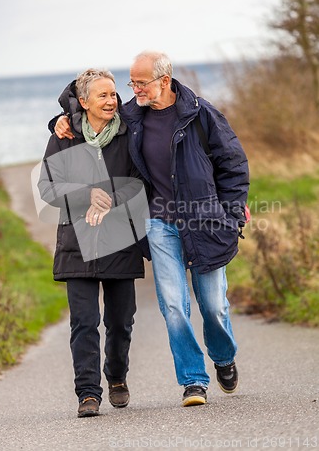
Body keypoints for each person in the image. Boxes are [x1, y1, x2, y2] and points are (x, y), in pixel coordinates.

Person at [52, 52, 250, 407]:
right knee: (174, 305)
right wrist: (60, 119)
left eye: (140, 82)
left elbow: (232, 164)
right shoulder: (133, 115)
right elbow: (88, 110)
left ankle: (223, 357)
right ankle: (193, 381)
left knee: (214, 306)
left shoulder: (201, 114)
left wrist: (233, 212)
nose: (133, 90)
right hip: (160, 223)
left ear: (165, 79)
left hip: (204, 220)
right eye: (132, 82)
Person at [39, 68, 149, 417]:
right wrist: (88, 194)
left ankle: (116, 377)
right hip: (77, 242)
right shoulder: (65, 136)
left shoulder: (128, 134)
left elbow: (138, 182)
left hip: (119, 239)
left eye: (113, 94)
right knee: (84, 322)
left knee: (121, 321)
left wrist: (111, 199)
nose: (111, 100)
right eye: (102, 95)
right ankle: (88, 393)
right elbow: (48, 188)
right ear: (82, 102)